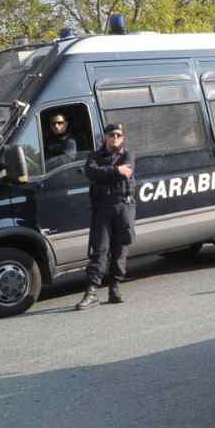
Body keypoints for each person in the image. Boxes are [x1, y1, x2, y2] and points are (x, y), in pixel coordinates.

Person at [76, 124, 136, 310]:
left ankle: (114, 288)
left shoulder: (128, 155)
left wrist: (109, 172)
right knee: (100, 249)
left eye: (119, 135)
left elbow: (127, 172)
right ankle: (92, 292)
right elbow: (91, 172)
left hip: (123, 207)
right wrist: (115, 171)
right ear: (106, 137)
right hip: (102, 208)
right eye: (112, 135)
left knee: (120, 249)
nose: (115, 138)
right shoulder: (94, 156)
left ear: (123, 137)